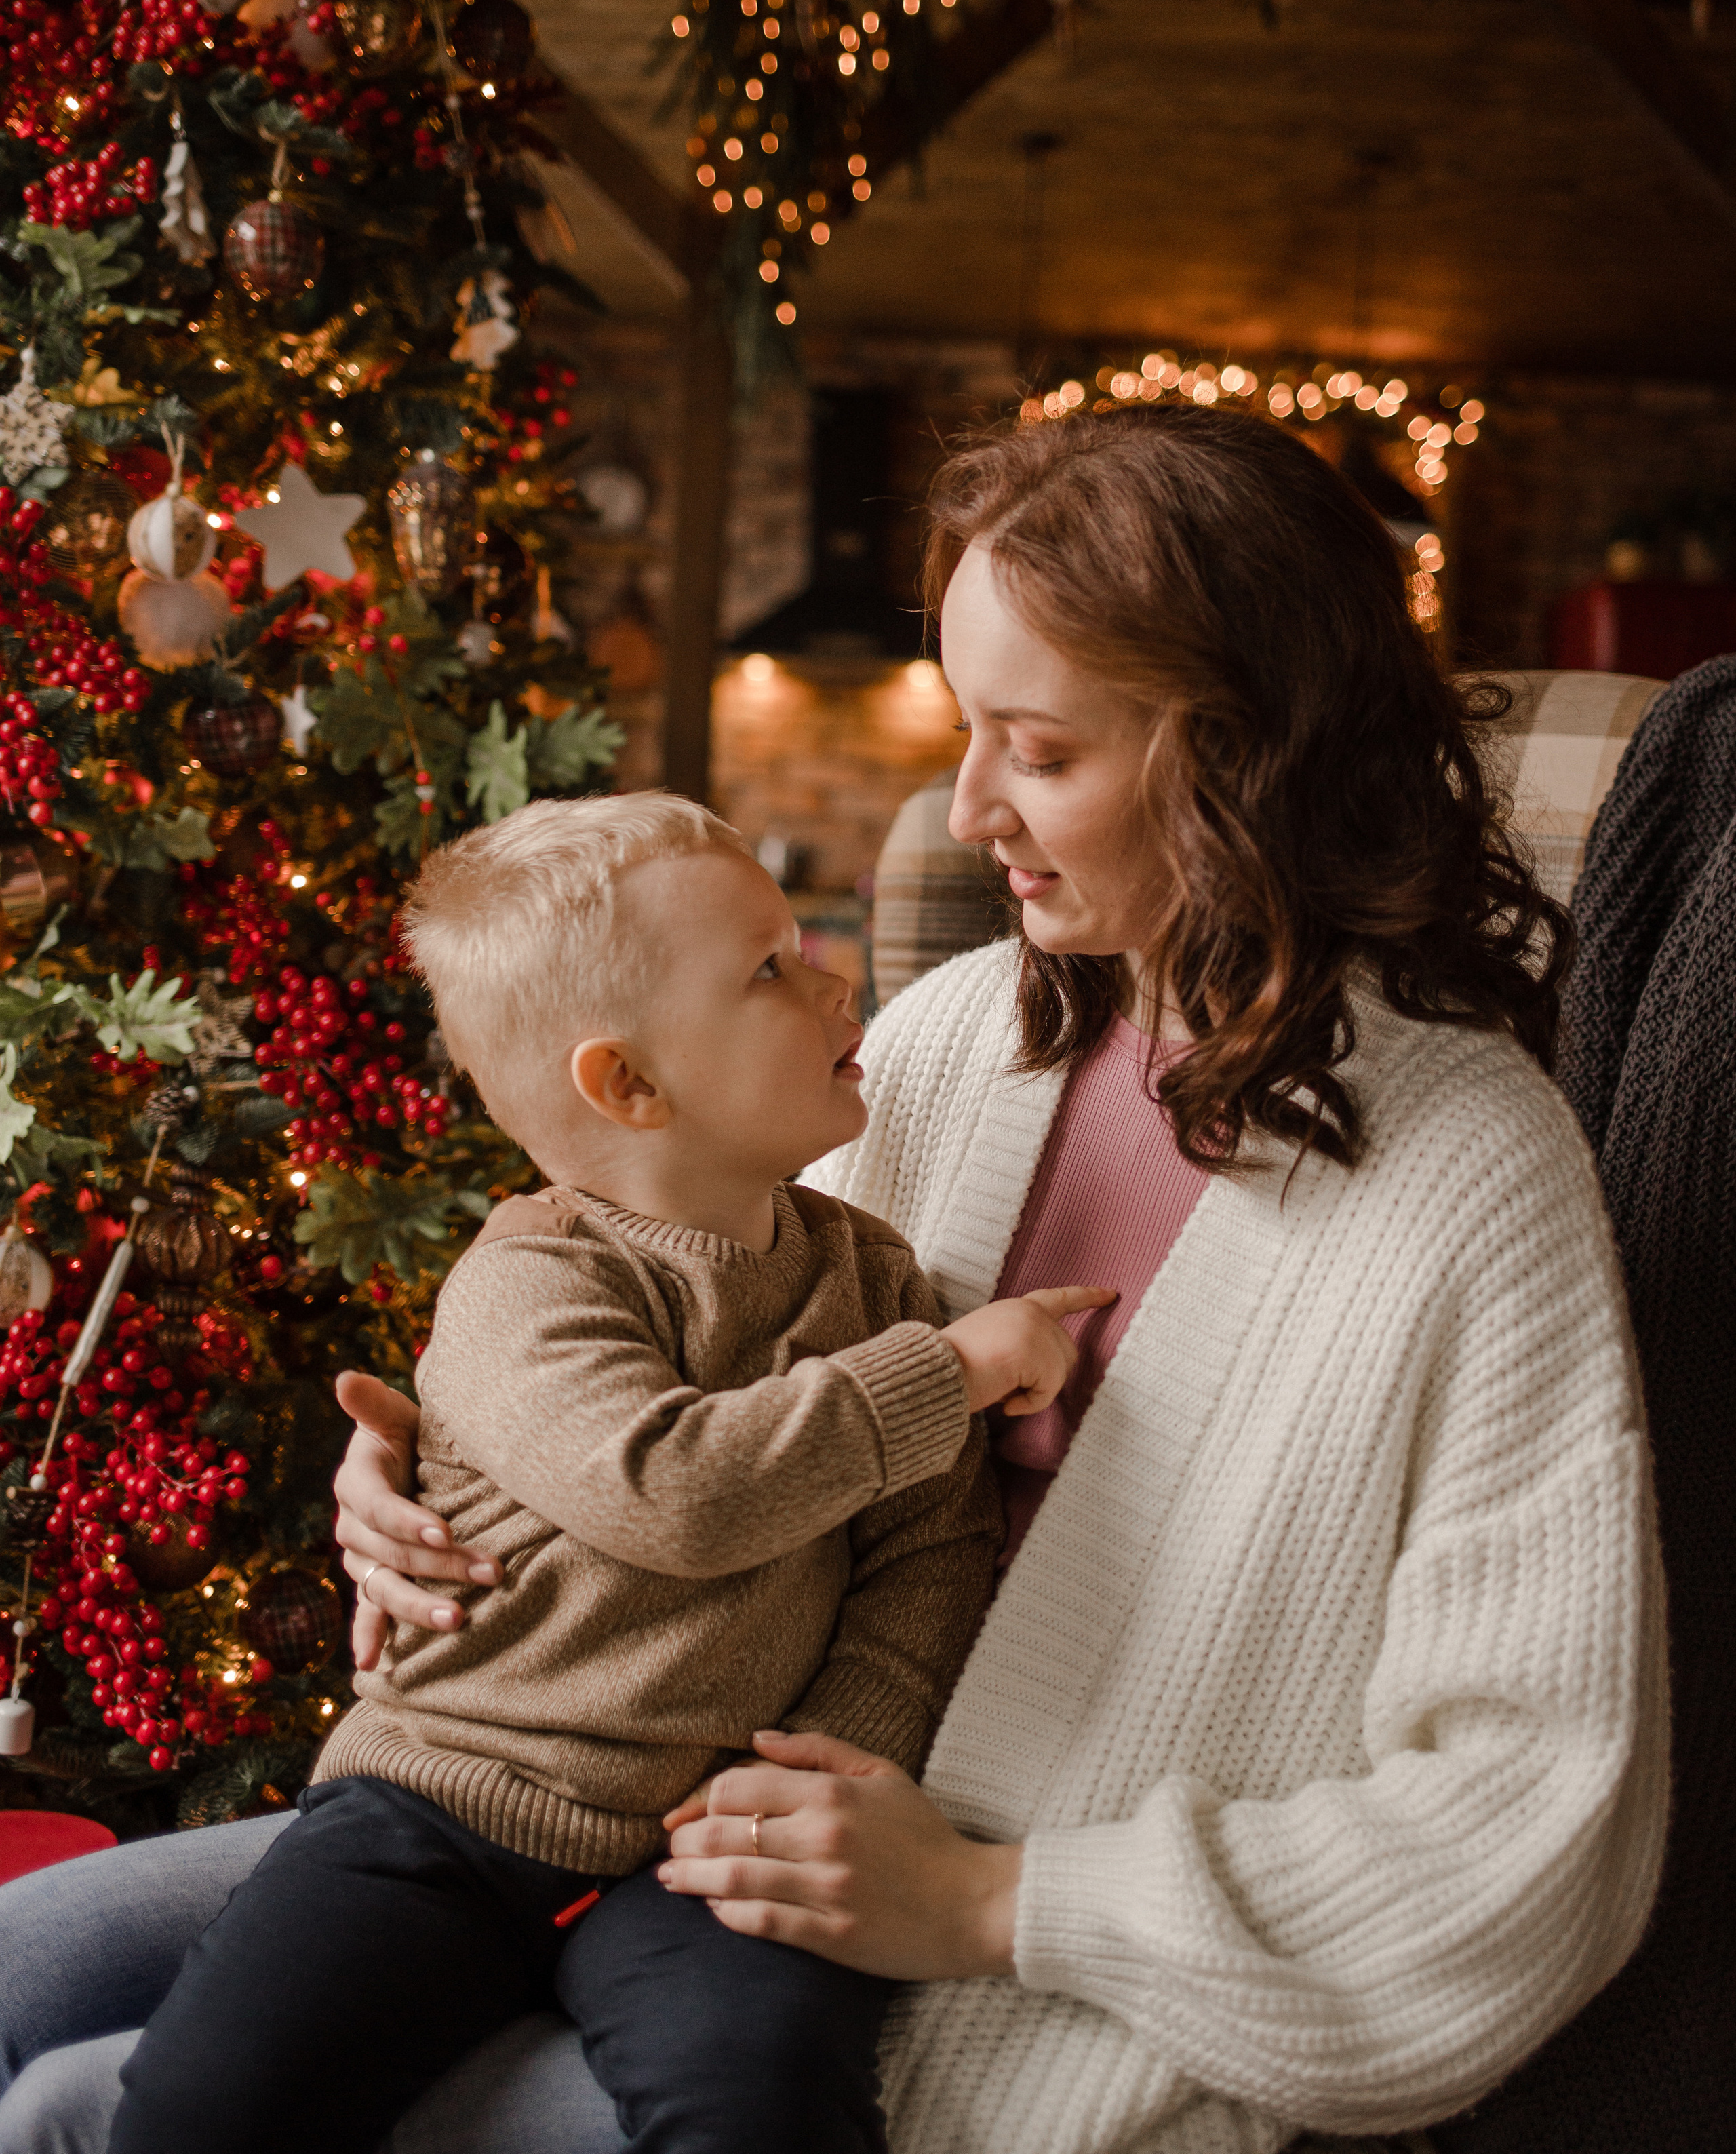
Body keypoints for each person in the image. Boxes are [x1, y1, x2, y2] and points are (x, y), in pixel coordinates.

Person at [0, 408, 1668, 2154]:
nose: (962, 812)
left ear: (1244, 758)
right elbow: (674, 1357)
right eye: (969, 732)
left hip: (973, 1964)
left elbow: (1526, 1831)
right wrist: (442, 1477)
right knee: (25, 1968)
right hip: (625, 1794)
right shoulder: (959, 1046)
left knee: (67, 2109)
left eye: (1035, 749)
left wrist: (991, 1904)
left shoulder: (1469, 1178)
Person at [107, 794, 1098, 2154]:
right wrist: (958, 1371)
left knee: (761, 2098)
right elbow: (676, 1493)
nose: (832, 972)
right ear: (627, 1085)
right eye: (767, 968)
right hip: (442, 1812)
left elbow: (927, 1549)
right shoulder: (525, 1283)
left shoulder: (872, 1280)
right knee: (204, 2108)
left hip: (701, 1838)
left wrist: (830, 1761)